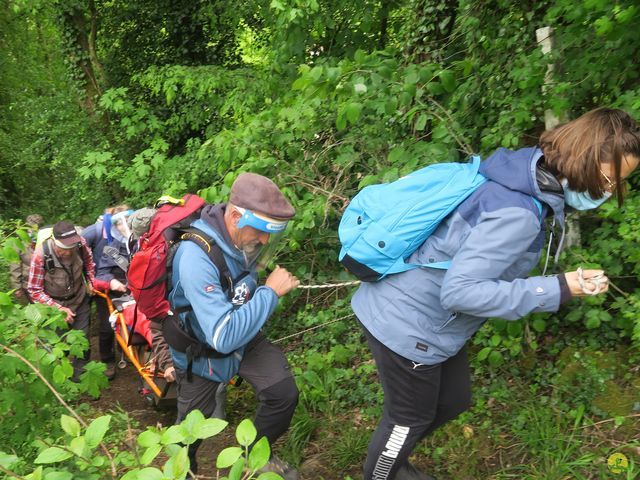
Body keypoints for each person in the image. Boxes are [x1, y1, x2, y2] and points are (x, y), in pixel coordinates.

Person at [351, 107, 640, 480]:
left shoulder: (523, 173)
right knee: (408, 418)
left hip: (424, 315)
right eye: (608, 178)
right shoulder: (519, 212)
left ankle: (391, 459)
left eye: (619, 182)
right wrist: (558, 287)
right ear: (583, 160)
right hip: (408, 324)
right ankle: (382, 471)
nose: (610, 190)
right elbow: (460, 293)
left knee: (454, 401)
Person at [168, 173, 300, 479]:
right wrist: (270, 292)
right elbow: (223, 337)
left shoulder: (243, 242)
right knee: (188, 435)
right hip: (200, 351)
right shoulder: (194, 256)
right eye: (262, 230)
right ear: (236, 216)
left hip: (244, 336)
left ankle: (257, 457)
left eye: (273, 233)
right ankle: (181, 474)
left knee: (283, 393)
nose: (266, 240)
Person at [28, 220, 124, 380]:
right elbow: (34, 290)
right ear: (55, 242)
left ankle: (81, 378)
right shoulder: (40, 255)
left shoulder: (81, 244)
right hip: (54, 307)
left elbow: (89, 264)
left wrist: (92, 282)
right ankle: (63, 382)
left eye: (72, 246)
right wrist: (57, 308)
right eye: (65, 248)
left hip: (80, 300)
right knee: (60, 343)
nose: (70, 251)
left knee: (82, 340)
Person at [82, 205, 130, 379]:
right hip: (109, 291)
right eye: (120, 224)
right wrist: (111, 282)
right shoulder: (110, 245)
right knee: (107, 327)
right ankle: (107, 360)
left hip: (134, 292)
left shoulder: (141, 242)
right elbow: (100, 273)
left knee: (134, 326)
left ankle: (128, 352)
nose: (124, 227)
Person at [9, 214, 44, 305]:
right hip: (27, 286)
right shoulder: (18, 245)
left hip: (45, 285)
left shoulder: (45, 241)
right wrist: (17, 288)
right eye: (31, 227)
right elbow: (15, 268)